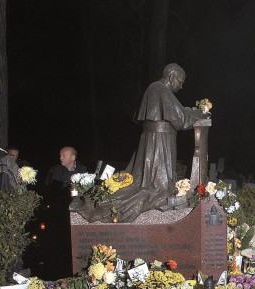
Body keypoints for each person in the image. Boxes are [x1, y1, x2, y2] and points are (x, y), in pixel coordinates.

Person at [78, 63, 205, 223]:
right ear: (171, 76)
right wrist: (200, 113)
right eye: (180, 81)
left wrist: (192, 111)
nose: (181, 86)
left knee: (159, 186)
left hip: (159, 139)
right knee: (157, 188)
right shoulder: (159, 89)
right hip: (159, 142)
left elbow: (178, 111)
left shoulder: (158, 89)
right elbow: (180, 120)